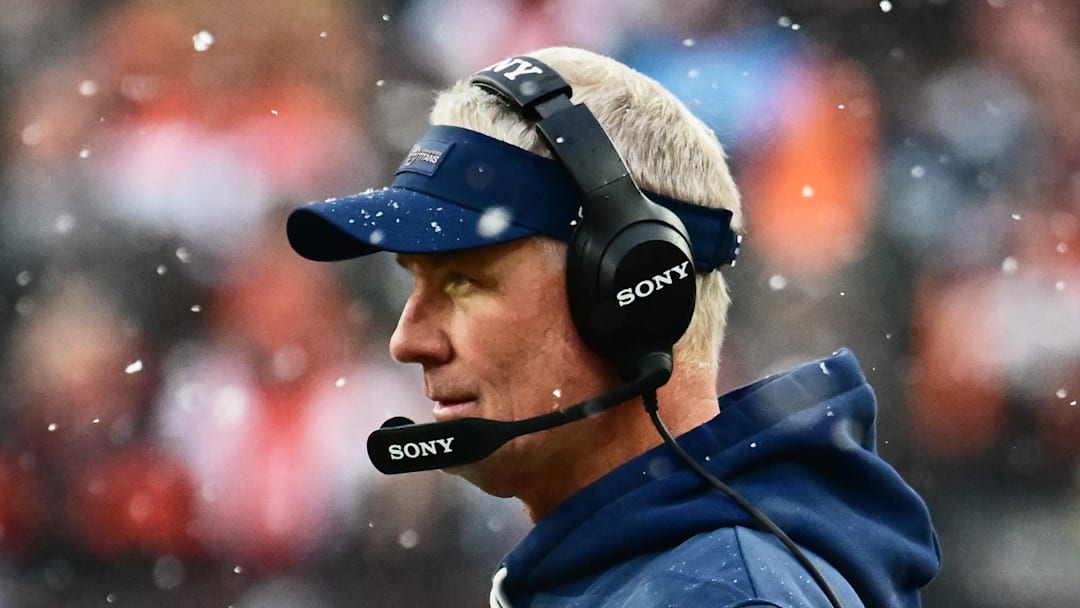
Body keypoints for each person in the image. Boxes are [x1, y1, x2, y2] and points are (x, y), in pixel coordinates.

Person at [286, 47, 940, 608]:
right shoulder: (650, 574)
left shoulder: (721, 594)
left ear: (630, 293)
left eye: (463, 282)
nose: (408, 340)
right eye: (414, 283)